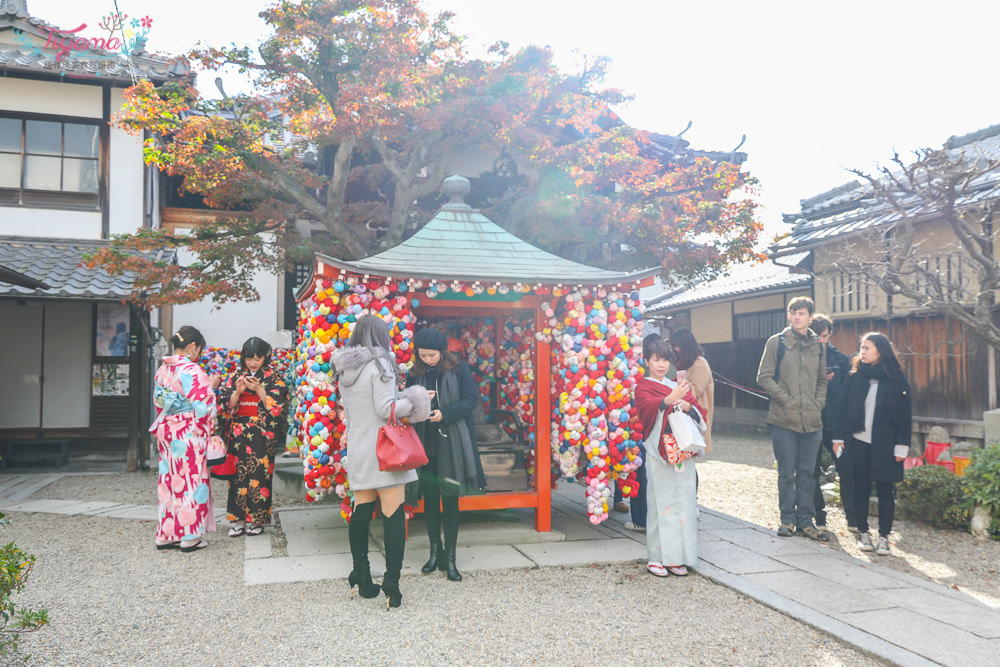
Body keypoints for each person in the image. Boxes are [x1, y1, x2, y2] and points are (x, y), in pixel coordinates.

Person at [332, 315, 431, 608]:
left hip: (359, 448)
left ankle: (360, 573)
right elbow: (386, 408)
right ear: (381, 335)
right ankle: (392, 582)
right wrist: (416, 399)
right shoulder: (381, 363)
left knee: (361, 511)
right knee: (393, 514)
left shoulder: (345, 369)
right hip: (384, 449)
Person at [406, 327, 485, 582]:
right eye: (423, 356)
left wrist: (445, 413)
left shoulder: (458, 368)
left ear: (442, 351)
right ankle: (434, 552)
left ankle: (450, 558)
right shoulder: (415, 372)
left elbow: (471, 399)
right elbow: (404, 403)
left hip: (452, 442)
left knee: (450, 500)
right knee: (429, 500)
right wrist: (418, 400)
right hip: (424, 442)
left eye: (431, 355)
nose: (427, 360)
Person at [756, 296, 830, 541]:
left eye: (802, 313)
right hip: (783, 419)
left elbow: (822, 379)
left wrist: (818, 404)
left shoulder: (818, 345)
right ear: (788, 316)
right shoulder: (776, 342)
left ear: (810, 317)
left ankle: (806, 520)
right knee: (787, 472)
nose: (798, 317)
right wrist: (785, 399)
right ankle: (787, 519)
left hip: (812, 420)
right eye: (794, 313)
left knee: (808, 472)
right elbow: (764, 376)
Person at [833, 332, 912, 556]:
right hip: (858, 441)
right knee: (860, 487)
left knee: (886, 489)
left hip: (886, 444)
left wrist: (902, 446)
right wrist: (838, 437)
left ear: (880, 350)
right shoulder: (855, 374)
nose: (862, 352)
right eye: (861, 348)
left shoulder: (896, 378)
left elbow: (905, 415)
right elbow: (841, 406)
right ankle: (863, 532)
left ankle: (885, 537)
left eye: (867, 348)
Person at [633, 338, 705, 577]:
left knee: (684, 503)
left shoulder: (677, 384)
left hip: (681, 450)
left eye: (665, 359)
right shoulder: (643, 386)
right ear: (647, 362)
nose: (661, 364)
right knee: (660, 504)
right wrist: (668, 399)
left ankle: (678, 558)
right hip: (659, 450)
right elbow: (645, 408)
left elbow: (698, 411)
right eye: (656, 360)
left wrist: (686, 405)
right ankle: (656, 557)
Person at [151, 326, 220, 553]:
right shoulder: (191, 370)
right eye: (198, 348)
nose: (198, 353)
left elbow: (159, 402)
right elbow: (204, 405)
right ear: (192, 346)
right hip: (189, 432)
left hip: (168, 431)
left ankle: (167, 533)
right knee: (192, 482)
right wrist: (207, 429)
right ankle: (190, 536)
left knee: (169, 482)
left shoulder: (163, 370)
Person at [218, 337, 289, 537]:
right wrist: (238, 393)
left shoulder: (273, 377)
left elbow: (276, 407)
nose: (253, 363)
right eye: (249, 359)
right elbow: (227, 406)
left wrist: (258, 389)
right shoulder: (236, 375)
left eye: (257, 359)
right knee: (237, 475)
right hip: (239, 431)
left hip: (261, 432)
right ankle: (238, 519)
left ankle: (257, 520)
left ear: (264, 357)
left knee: (260, 475)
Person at [809, 314, 854, 531]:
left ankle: (853, 518)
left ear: (830, 335)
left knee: (846, 468)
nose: (821, 340)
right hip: (811, 422)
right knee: (811, 471)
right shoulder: (801, 359)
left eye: (825, 336)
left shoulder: (841, 360)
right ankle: (819, 517)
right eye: (817, 336)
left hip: (837, 424)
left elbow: (849, 394)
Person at [620, 332, 663, 532]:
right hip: (655, 433)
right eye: (657, 359)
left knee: (640, 474)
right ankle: (653, 519)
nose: (660, 363)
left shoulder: (637, 377)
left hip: (641, 432)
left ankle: (641, 520)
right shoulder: (665, 381)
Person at [671, 328, 715, 453]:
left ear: (686, 346)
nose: (676, 349)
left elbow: (696, 391)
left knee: (694, 448)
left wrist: (678, 382)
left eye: (677, 346)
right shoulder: (686, 363)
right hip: (685, 411)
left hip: (698, 412)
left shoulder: (700, 363)